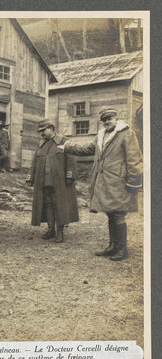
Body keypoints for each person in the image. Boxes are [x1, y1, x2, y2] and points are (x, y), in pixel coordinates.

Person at [60, 108, 143, 261]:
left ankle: (122, 250)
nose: (106, 122)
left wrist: (133, 183)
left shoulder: (126, 133)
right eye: (104, 120)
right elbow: (87, 149)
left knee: (118, 215)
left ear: (116, 118)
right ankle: (113, 246)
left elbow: (135, 159)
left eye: (109, 118)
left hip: (120, 182)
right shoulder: (101, 135)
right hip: (106, 182)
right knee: (111, 213)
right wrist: (67, 147)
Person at [26, 119, 79, 243]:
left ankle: (60, 232)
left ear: (51, 128)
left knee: (59, 206)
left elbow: (71, 160)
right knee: (48, 205)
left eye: (43, 130)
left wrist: (70, 175)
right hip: (43, 181)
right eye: (40, 131)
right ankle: (51, 229)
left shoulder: (64, 142)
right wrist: (30, 176)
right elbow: (34, 162)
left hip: (59, 181)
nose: (41, 134)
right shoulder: (40, 145)